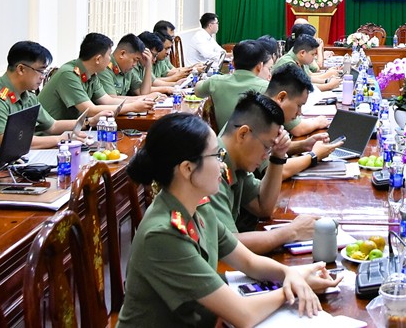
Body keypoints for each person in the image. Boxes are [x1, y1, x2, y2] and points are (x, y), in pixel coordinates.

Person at [116, 113, 340, 328]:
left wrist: (290, 274)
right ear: (187, 168)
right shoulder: (162, 234)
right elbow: (244, 315)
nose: (223, 164)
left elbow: (250, 262)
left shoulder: (199, 206)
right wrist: (291, 290)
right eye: (216, 156)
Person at [209, 92, 317, 254]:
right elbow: (228, 245)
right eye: (266, 147)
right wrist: (292, 231)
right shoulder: (211, 167)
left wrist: (278, 156)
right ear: (243, 134)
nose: (266, 156)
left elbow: (263, 207)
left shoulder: (236, 160)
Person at [0, 41, 85, 161]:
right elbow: (11, 144)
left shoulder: (27, 95)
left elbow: (53, 126)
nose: (43, 77)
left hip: (18, 162)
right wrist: (60, 140)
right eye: (40, 71)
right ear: (21, 69)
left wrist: (87, 123)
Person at [37, 33, 153, 121]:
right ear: (98, 59)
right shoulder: (68, 74)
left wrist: (140, 101)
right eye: (109, 55)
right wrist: (133, 107)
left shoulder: (92, 75)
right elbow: (90, 110)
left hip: (71, 132)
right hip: (49, 135)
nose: (110, 58)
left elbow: (107, 100)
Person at [196, 40, 271, 131]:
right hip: (256, 139)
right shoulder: (268, 88)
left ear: (233, 63)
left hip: (223, 139)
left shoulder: (215, 81)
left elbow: (198, 91)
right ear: (260, 66)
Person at [96, 34, 163, 102]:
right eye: (135, 60)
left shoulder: (128, 69)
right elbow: (111, 99)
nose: (135, 64)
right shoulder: (105, 68)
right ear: (122, 54)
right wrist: (145, 98)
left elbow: (142, 92)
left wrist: (148, 65)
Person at [274, 34, 340, 92]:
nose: (314, 57)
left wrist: (327, 81)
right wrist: (329, 86)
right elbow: (300, 89)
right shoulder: (288, 63)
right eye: (313, 54)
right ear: (302, 53)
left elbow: (307, 79)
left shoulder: (298, 59)